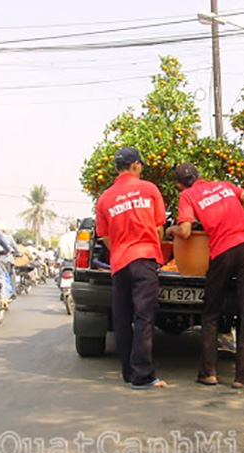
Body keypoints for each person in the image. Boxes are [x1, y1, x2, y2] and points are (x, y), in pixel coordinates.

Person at [166, 162, 244, 389]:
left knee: (210, 313)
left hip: (223, 252)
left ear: (180, 185)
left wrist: (171, 231)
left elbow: (186, 232)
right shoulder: (223, 185)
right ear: (200, 175)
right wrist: (240, 220)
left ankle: (209, 373)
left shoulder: (188, 196)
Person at [95, 147, 167, 389]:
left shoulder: (105, 198)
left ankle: (128, 371)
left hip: (120, 262)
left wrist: (121, 248)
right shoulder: (149, 190)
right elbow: (159, 228)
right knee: (144, 317)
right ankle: (143, 375)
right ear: (135, 165)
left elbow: (104, 236)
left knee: (122, 318)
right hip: (144, 258)